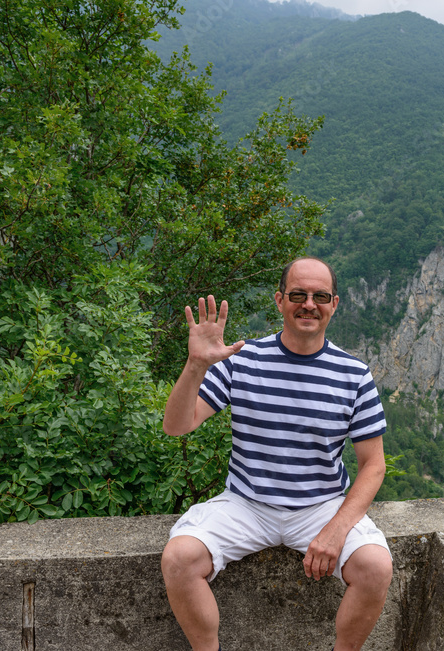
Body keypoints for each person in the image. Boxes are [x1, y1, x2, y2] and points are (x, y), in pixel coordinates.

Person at [160, 256, 393, 651]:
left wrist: (335, 531)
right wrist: (195, 365)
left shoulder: (354, 374)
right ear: (280, 300)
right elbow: (177, 425)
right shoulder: (241, 359)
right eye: (298, 294)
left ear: (334, 304)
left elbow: (374, 466)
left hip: (321, 506)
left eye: (320, 296)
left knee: (375, 567)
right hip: (246, 503)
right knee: (179, 559)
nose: (309, 304)